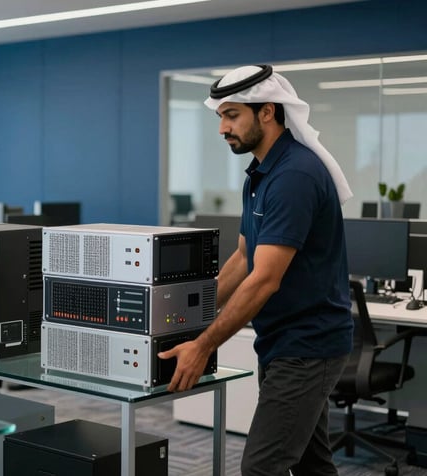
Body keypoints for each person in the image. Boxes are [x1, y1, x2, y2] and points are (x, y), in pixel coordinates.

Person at [158, 65, 354, 476]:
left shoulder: (294, 175)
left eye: (232, 116)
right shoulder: (260, 174)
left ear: (267, 112)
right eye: (220, 117)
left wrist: (204, 343)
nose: (222, 128)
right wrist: (190, 313)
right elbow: (244, 257)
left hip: (307, 345)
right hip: (284, 340)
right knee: (313, 464)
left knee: (261, 468)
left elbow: (265, 277)